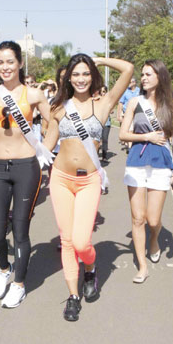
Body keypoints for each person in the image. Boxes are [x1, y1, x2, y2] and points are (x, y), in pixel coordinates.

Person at [43, 54, 133, 321]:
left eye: (86, 73)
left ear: (92, 76)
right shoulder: (59, 107)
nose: (81, 79)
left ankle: (91, 269)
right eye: (76, 74)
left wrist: (99, 60)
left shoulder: (103, 104)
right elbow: (47, 145)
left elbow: (128, 69)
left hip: (88, 180)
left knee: (82, 241)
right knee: (67, 240)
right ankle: (72, 296)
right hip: (60, 178)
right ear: (68, 78)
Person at [0, 41, 52, 309]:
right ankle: (4, 269)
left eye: (10, 62)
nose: (5, 67)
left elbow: (55, 124)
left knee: (20, 230)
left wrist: (45, 151)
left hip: (26, 166)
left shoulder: (35, 94)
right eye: (0, 62)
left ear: (19, 63)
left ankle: (19, 284)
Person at [119, 59, 173, 284]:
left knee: (152, 219)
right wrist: (145, 136)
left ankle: (154, 238)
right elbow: (122, 134)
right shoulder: (135, 102)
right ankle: (142, 266)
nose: (144, 78)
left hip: (161, 162)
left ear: (160, 77)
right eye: (143, 74)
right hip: (137, 160)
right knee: (138, 218)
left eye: (149, 74)